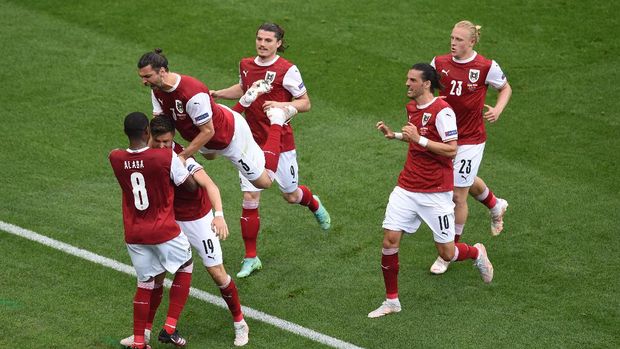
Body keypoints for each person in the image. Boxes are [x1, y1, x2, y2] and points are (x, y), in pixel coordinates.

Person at [368, 64, 494, 318]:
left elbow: (451, 150)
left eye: (412, 80)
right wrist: (394, 135)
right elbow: (416, 136)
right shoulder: (412, 107)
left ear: (426, 84)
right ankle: (391, 300)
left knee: (447, 252)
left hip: (435, 192)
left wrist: (418, 140)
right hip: (406, 187)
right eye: (407, 79)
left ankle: (477, 252)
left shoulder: (443, 111)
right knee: (389, 241)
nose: (407, 83)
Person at [210, 23, 331, 278]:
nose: (262, 44)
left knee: (290, 194)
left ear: (278, 43)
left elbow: (306, 103)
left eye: (268, 40)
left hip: (281, 141)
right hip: (250, 142)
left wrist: (282, 104)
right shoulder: (245, 64)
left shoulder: (287, 69)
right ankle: (251, 257)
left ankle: (313, 203)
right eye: (259, 39)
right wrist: (219, 93)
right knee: (250, 199)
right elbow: (243, 88)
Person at [119, 117, 249, 347]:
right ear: (148, 136)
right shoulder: (145, 155)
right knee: (156, 277)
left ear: (173, 139)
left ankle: (240, 323)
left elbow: (210, 185)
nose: (162, 146)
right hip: (169, 221)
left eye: (167, 142)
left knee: (217, 273)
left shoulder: (180, 156)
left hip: (197, 219)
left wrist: (218, 215)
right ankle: (146, 333)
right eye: (157, 141)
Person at [137, 49, 290, 190]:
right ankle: (245, 100)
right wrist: (147, 155)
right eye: (142, 77)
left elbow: (209, 132)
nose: (143, 82)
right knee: (210, 156)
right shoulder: (156, 90)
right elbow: (160, 127)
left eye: (147, 77)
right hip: (205, 130)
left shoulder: (191, 93)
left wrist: (182, 156)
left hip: (230, 137)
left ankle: (277, 120)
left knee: (264, 182)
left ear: (162, 71)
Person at [429, 20, 512, 275]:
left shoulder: (486, 66)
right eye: (452, 38)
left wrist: (498, 109)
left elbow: (505, 88)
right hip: (445, 137)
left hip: (471, 140)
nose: (453, 43)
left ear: (472, 42)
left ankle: (449, 252)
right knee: (463, 179)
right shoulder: (439, 63)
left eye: (459, 40)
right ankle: (495, 204)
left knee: (457, 194)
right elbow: (427, 89)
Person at [109, 112, 195, 349]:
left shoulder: (115, 158)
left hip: (135, 234)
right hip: (164, 230)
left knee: (145, 283)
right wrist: (184, 164)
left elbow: (134, 163)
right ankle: (169, 327)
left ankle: (139, 341)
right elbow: (190, 186)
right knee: (186, 266)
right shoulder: (166, 157)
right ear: (148, 132)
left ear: (127, 133)